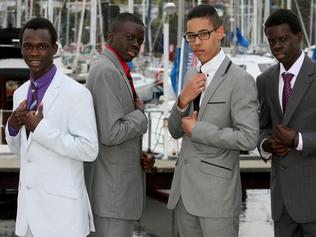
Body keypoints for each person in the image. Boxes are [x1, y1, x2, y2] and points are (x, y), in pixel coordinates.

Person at [167, 4, 259, 237]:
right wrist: (181, 100)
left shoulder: (241, 80)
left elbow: (248, 138)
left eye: (203, 34)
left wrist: (199, 130)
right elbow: (176, 131)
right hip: (183, 195)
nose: (196, 42)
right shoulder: (190, 75)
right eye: (191, 36)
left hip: (217, 198)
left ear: (220, 32)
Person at [5, 17, 98, 237]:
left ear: (54, 48)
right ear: (21, 49)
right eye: (28, 46)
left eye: (42, 47)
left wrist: (41, 129)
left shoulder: (77, 93)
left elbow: (89, 149)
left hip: (63, 218)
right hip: (28, 217)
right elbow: (23, 152)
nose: (34, 53)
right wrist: (12, 128)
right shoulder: (20, 92)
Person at [84, 12, 154, 237]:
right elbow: (111, 134)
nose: (136, 45)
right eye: (131, 37)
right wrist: (141, 116)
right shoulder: (107, 72)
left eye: (140, 41)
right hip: (111, 197)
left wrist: (137, 154)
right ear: (111, 36)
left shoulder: (116, 69)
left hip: (114, 196)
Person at [257, 9, 316, 237]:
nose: (277, 46)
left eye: (283, 39)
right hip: (281, 202)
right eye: (272, 41)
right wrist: (266, 145)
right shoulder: (265, 81)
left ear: (298, 37)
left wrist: (298, 140)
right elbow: (263, 127)